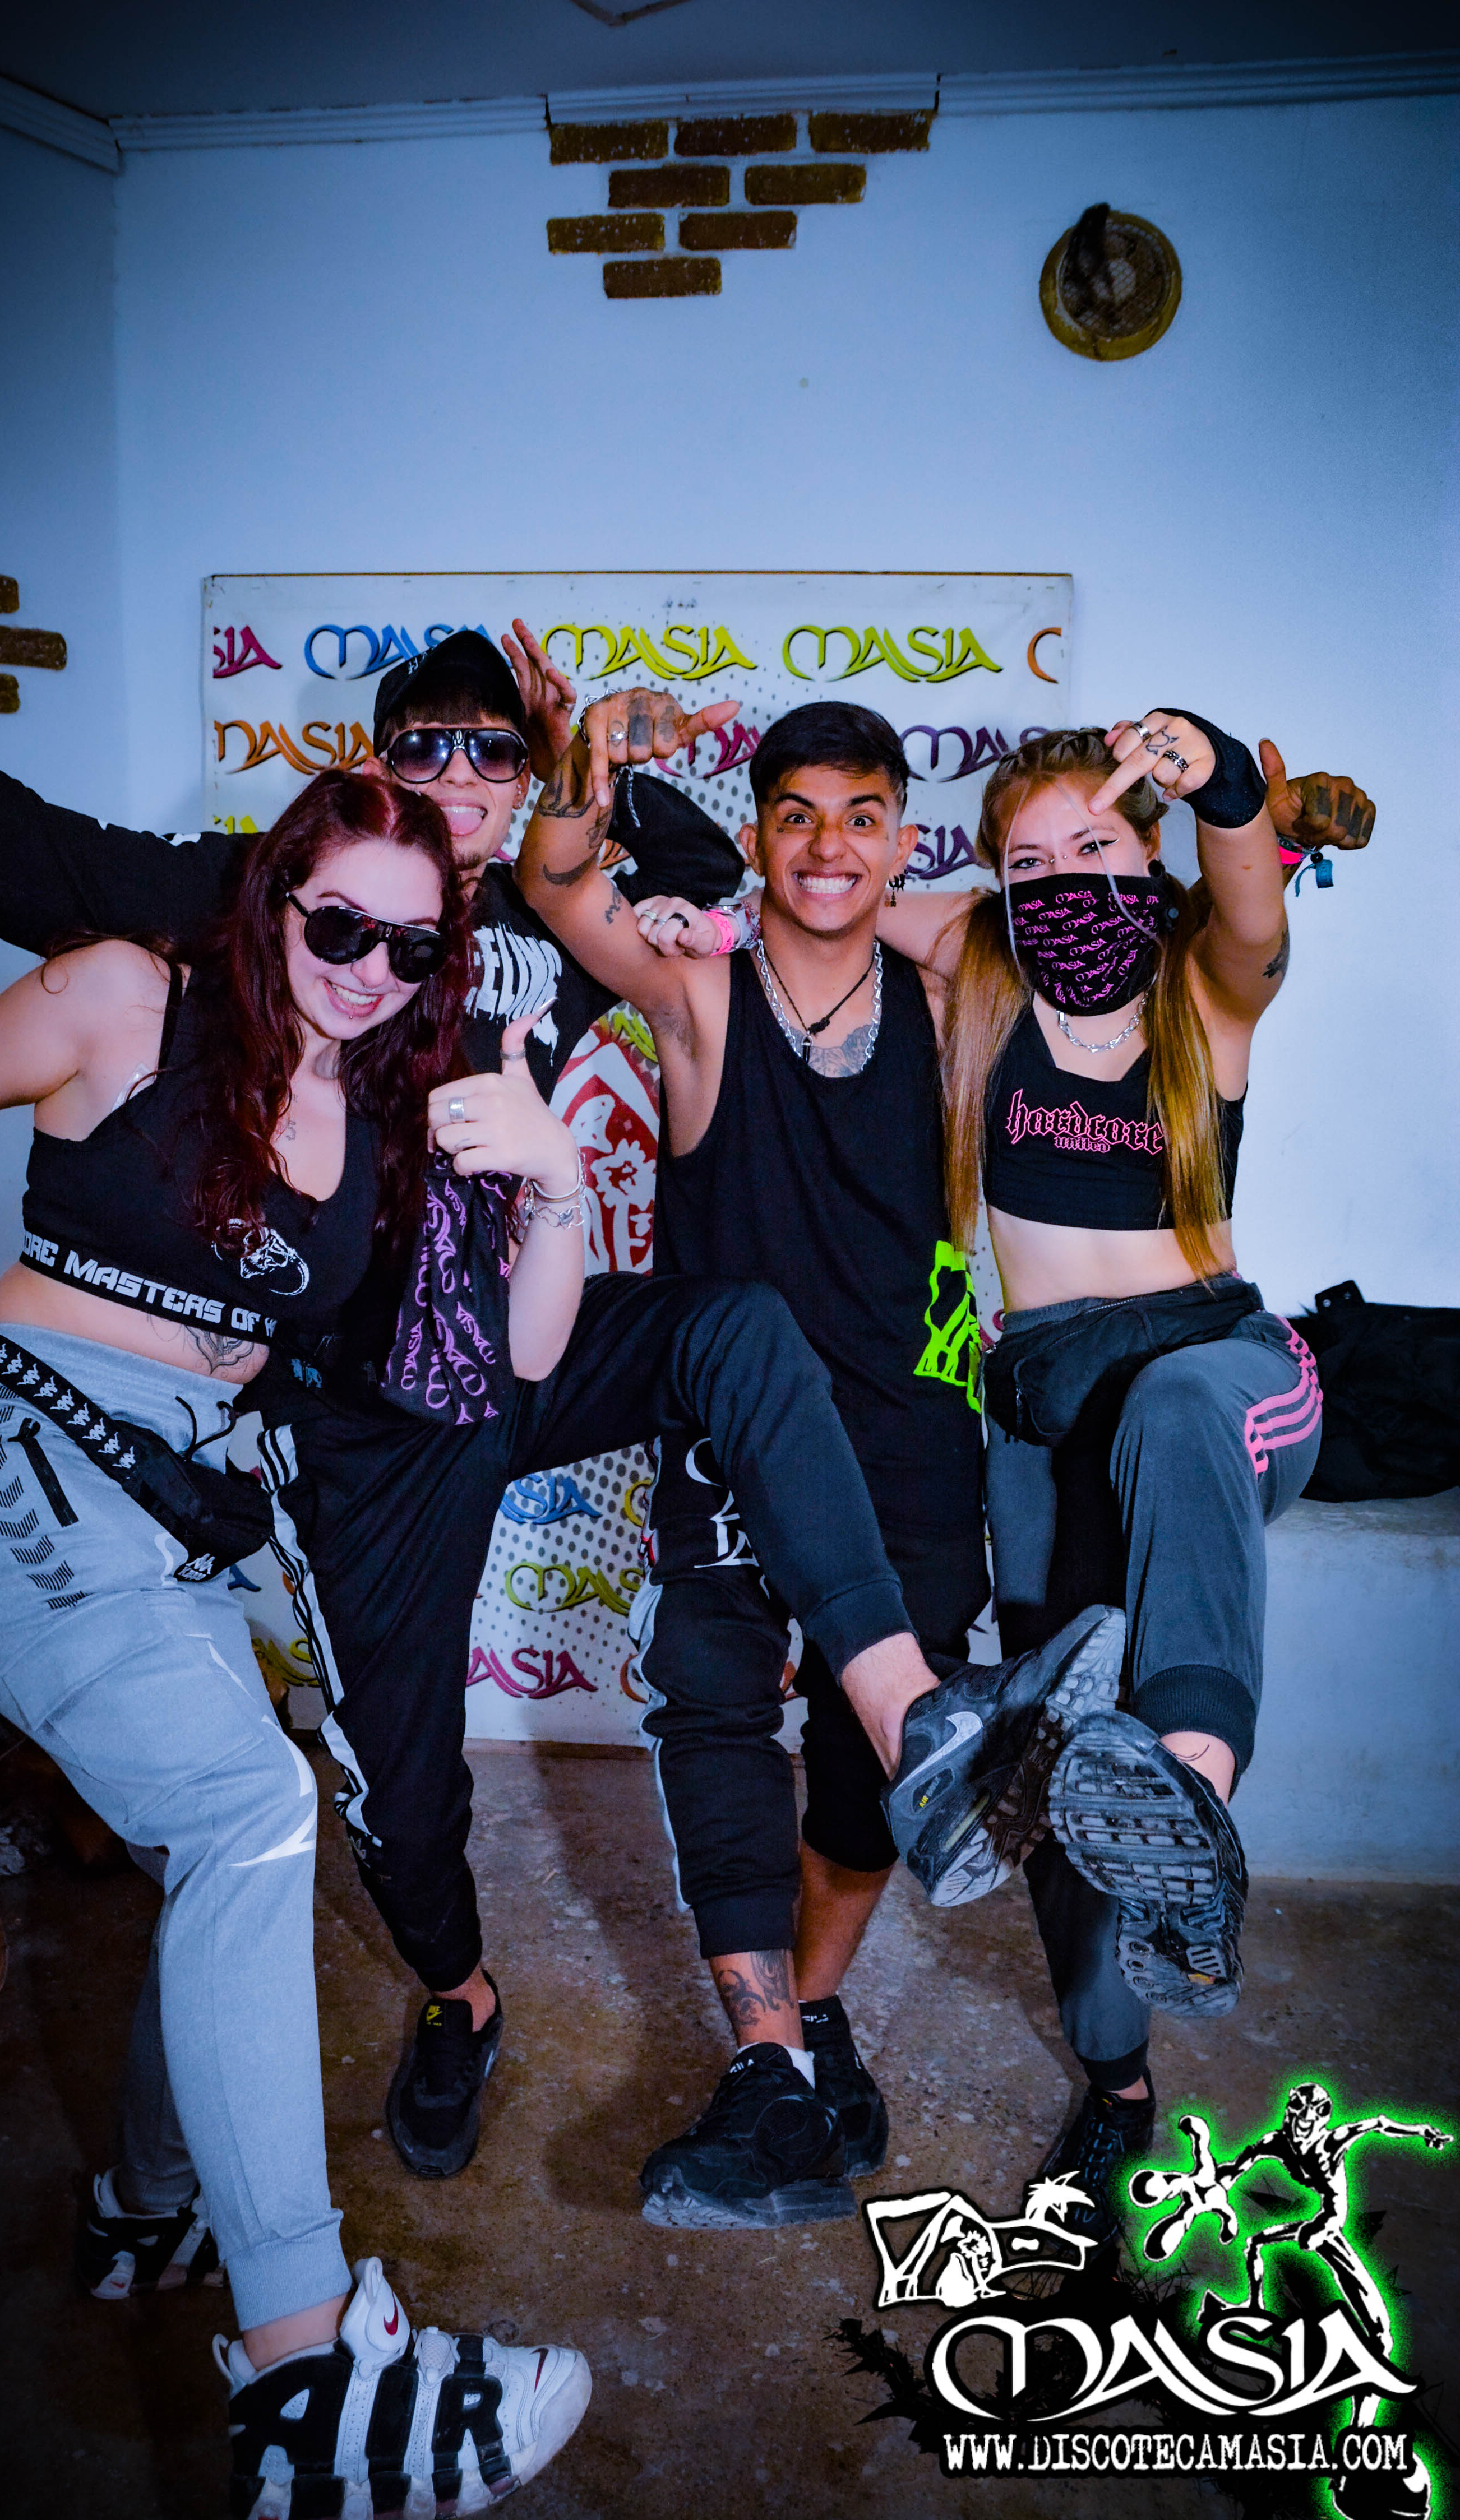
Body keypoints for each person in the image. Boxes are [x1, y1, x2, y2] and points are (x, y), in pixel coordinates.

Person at [0, 636, 1077, 2243]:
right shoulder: (282, 900)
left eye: (494, 752)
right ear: (370, 769)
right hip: (375, 1423)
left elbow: (704, 865)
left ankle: (909, 1710)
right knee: (401, 1803)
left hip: (529, 1337)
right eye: (428, 748)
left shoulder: (555, 906)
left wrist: (594, 777)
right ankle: (461, 1997)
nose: (460, 779)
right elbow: (11, 842)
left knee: (737, 1325)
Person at [0, 764, 597, 2513]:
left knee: (236, 1837)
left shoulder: (390, 1110)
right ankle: (305, 2380)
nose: (369, 970)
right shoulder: (122, 1000)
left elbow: (520, 1360)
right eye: (339, 925)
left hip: (194, 1510)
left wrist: (560, 1186)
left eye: (412, 947)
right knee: (247, 1809)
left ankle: (151, 2200)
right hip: (22, 1449)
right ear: (274, 895)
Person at [635, 711, 1371, 2232]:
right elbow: (822, 901)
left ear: (1149, 852)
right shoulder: (982, 973)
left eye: (1095, 847)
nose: (1063, 883)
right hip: (1042, 1416)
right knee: (1064, 1772)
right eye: (1028, 863)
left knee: (1177, 1431)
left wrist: (1232, 783)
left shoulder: (1203, 993)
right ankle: (1118, 2084)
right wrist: (692, 907)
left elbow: (1251, 905)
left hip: (1215, 1363)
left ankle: (1198, 1781)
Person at [514, 692, 1130, 2230]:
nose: (829, 845)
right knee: (715, 1715)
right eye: (797, 816)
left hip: (914, 1445)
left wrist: (855, 894)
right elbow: (559, 887)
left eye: (864, 818)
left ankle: (821, 2009)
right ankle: (770, 2064)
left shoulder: (959, 998)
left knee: (873, 1773)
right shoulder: (697, 997)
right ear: (754, 833)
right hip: (733, 1432)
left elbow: (1036, 925)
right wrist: (589, 781)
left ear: (907, 838)